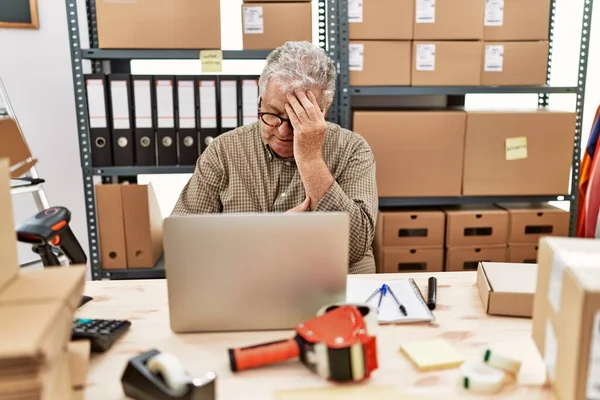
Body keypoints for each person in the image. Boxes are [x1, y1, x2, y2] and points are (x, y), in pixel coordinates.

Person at [172, 41, 378, 274]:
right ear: (260, 101)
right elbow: (183, 243)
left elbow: (356, 246)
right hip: (247, 284)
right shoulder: (223, 152)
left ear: (324, 110)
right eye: (272, 114)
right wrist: (271, 237)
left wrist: (311, 160)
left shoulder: (352, 149)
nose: (282, 131)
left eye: (297, 119)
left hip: (331, 288)